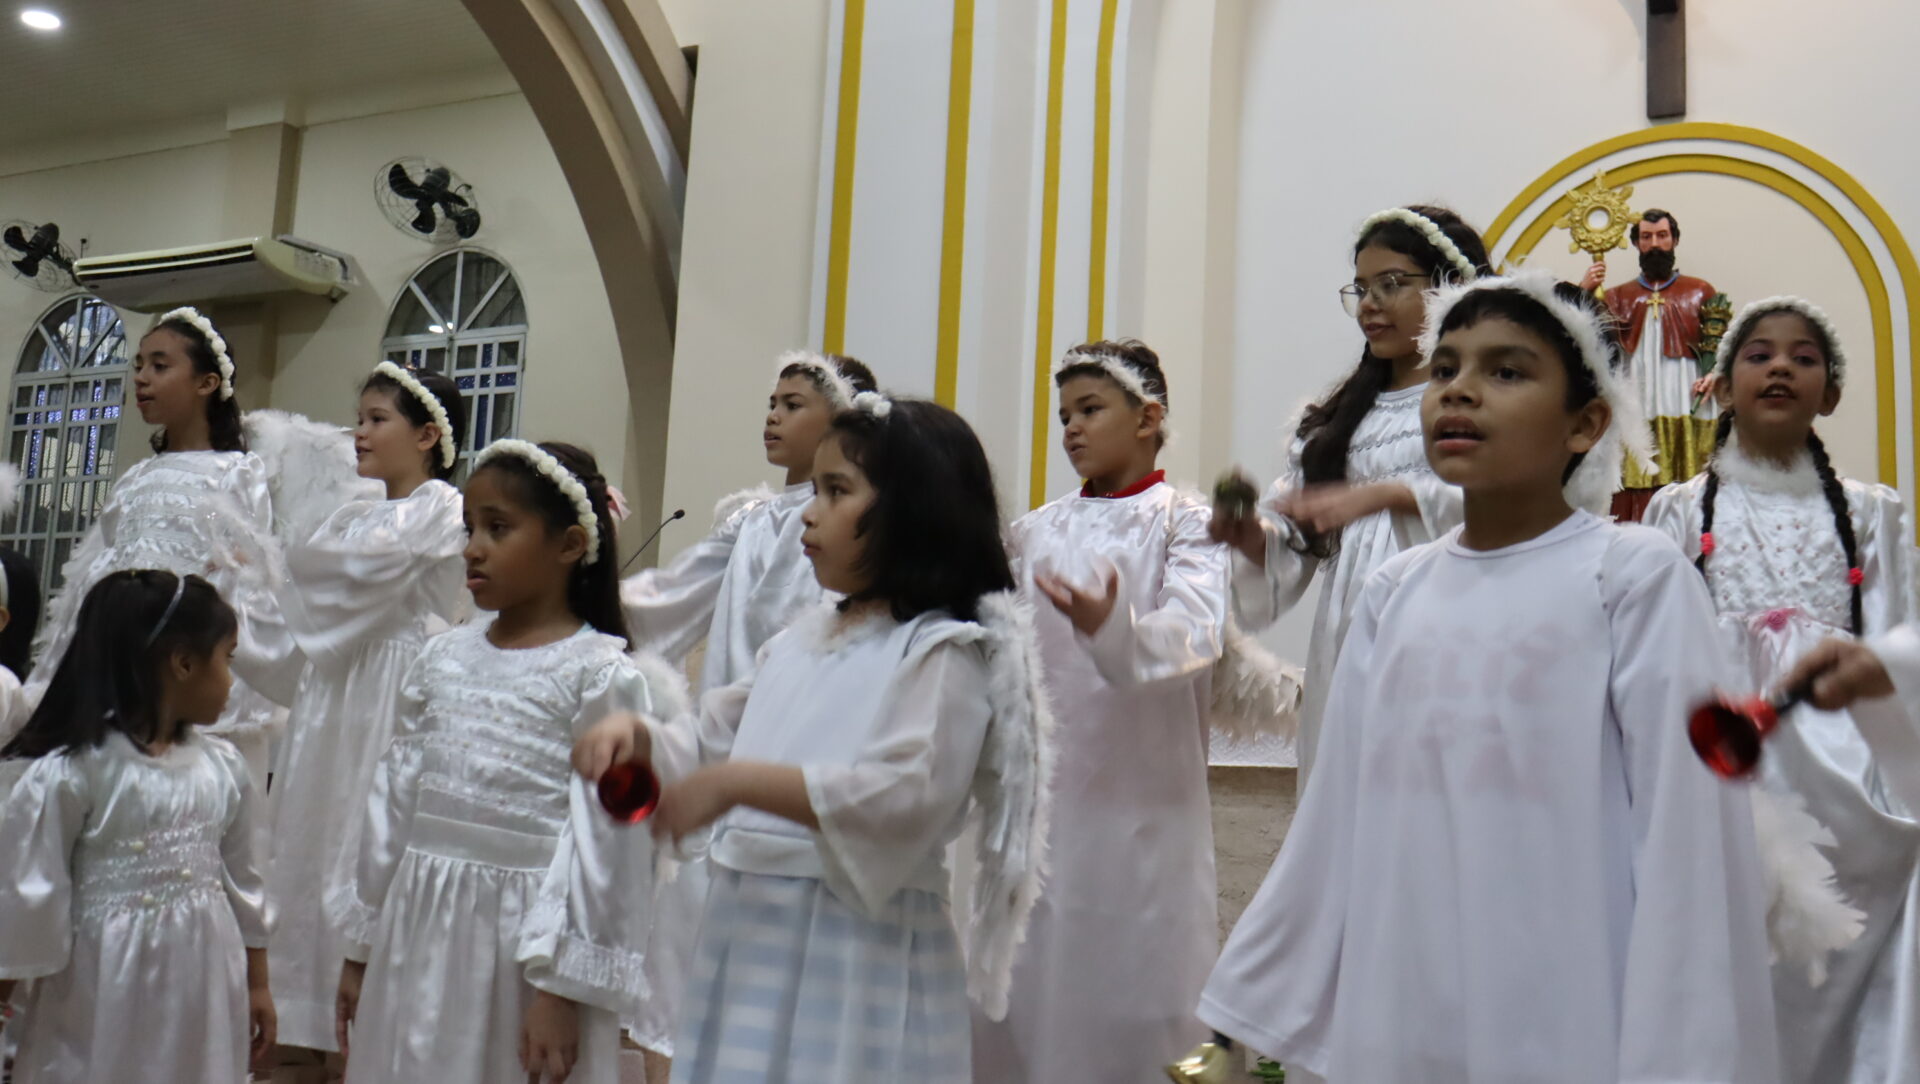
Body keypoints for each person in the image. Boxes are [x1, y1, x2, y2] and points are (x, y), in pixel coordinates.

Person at [1190, 273, 1779, 1083]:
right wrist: (1240, 1015)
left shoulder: (1631, 575)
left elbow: (1688, 832)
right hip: (1406, 987)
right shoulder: (1397, 590)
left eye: (1505, 371)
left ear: (1585, 424)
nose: (1459, 390)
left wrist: (1685, 1052)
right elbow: (1334, 821)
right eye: (1445, 369)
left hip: (1570, 992)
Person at [574, 394, 1053, 1083]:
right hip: (751, 940)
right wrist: (641, 737)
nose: (808, 511)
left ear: (913, 511)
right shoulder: (799, 641)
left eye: (836, 491)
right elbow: (711, 738)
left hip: (855, 955)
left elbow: (904, 797)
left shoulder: (943, 653)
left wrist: (737, 786)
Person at [330, 440, 677, 1084]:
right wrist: (360, 949)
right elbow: (391, 806)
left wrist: (562, 987)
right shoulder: (440, 659)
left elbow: (611, 843)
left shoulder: (601, 675)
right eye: (469, 529)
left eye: (498, 528)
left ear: (570, 545)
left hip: (528, 950)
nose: (473, 549)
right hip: (417, 929)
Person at [1646, 296, 1919, 1081]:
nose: (1780, 369)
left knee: (1842, 939)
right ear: (1722, 385)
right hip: (1720, 753)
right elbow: (1656, 648)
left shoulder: (1872, 511)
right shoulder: (1677, 508)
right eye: (1759, 355)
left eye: (1804, 358)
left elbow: (1896, 638)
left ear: (1830, 394)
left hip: (1842, 760)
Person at [971, 339, 1226, 1081]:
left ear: (1148, 418)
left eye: (1090, 409)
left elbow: (1194, 633)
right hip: (1043, 795)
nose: (1072, 429)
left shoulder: (1186, 521)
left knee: (1135, 975)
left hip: (1142, 799)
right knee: (1032, 970)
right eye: (1064, 416)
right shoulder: (1033, 533)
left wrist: (1113, 629)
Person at [616, 349, 874, 1069]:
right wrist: (575, 593)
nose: (773, 416)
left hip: (792, 771)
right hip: (716, 753)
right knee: (682, 975)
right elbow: (667, 598)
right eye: (771, 402)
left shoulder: (847, 535)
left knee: (766, 997)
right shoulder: (749, 520)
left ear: (842, 421)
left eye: (793, 404)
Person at [1211, 205, 1490, 789]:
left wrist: (1391, 497)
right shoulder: (1340, 420)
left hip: (1453, 618)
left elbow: (1510, 499)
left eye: (1391, 284)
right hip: (1349, 633)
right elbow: (1300, 539)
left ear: (1451, 287)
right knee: (1352, 781)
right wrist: (1253, 537)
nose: (1370, 304)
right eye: (1361, 289)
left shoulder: (1483, 399)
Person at [264, 362, 471, 1078]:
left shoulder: (442, 506)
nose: (359, 432)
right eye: (360, 418)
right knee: (311, 833)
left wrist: (294, 562)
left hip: (394, 691)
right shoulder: (350, 515)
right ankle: (301, 1018)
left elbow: (346, 573)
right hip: (333, 691)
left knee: (365, 836)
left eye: (378, 419)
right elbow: (310, 577)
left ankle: (359, 1022)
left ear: (428, 435)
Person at [0, 571, 273, 1083]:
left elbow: (245, 882)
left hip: (203, 983)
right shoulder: (73, 774)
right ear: (184, 663)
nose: (232, 681)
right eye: (227, 659)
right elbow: (27, 900)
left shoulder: (223, 769)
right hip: (103, 986)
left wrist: (258, 983)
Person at [28, 308, 284, 805]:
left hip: (181, 657)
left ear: (207, 383)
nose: (142, 378)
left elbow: (239, 574)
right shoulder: (135, 478)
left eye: (160, 366)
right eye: (139, 366)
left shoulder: (236, 471)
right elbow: (102, 570)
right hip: (120, 652)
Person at [1579, 208, 1725, 520]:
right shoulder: (1616, 296)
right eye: (1646, 237)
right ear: (1636, 243)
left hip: (1684, 392)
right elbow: (1588, 344)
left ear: (1674, 240)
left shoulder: (1700, 291)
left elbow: (1721, 346)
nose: (1655, 244)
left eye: (1662, 236)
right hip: (1639, 393)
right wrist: (1584, 291)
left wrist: (1714, 373)